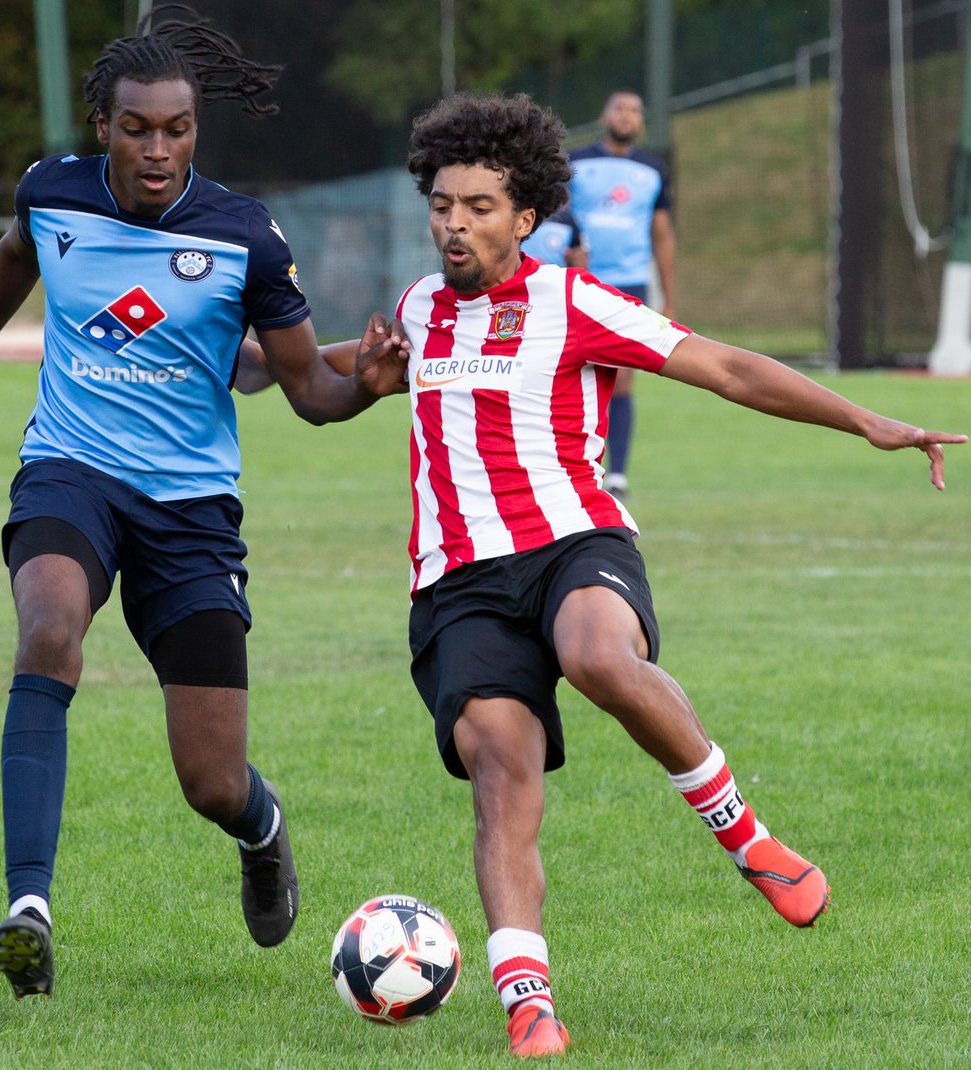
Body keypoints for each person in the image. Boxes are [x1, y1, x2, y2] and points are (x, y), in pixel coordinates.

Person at [393, 92, 963, 1058]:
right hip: (458, 583)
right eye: (443, 204)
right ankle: (528, 1001)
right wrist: (246, 351)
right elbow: (334, 379)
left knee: (597, 656)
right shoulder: (416, 312)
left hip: (574, 543)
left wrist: (865, 419)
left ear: (525, 217)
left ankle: (747, 839)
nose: (456, 222)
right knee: (499, 769)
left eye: (479, 206)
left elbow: (726, 368)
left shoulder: (574, 302)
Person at [0, 8, 407, 1001]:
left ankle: (261, 831)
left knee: (211, 780)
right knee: (48, 630)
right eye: (137, 128)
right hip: (70, 471)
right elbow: (11, 261)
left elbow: (306, 387)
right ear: (104, 125)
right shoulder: (51, 194)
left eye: (177, 130)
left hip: (190, 507)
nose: (157, 149)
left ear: (195, 131)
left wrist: (367, 388)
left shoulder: (245, 235)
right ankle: (29, 909)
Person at [564, 89, 676, 497]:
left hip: (628, 282)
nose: (626, 116)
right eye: (619, 109)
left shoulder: (653, 169)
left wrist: (668, 295)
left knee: (622, 377)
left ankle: (617, 473)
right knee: (567, 372)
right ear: (604, 115)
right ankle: (569, 465)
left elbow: (661, 234)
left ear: (641, 121)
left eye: (634, 110)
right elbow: (556, 220)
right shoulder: (574, 162)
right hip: (577, 281)